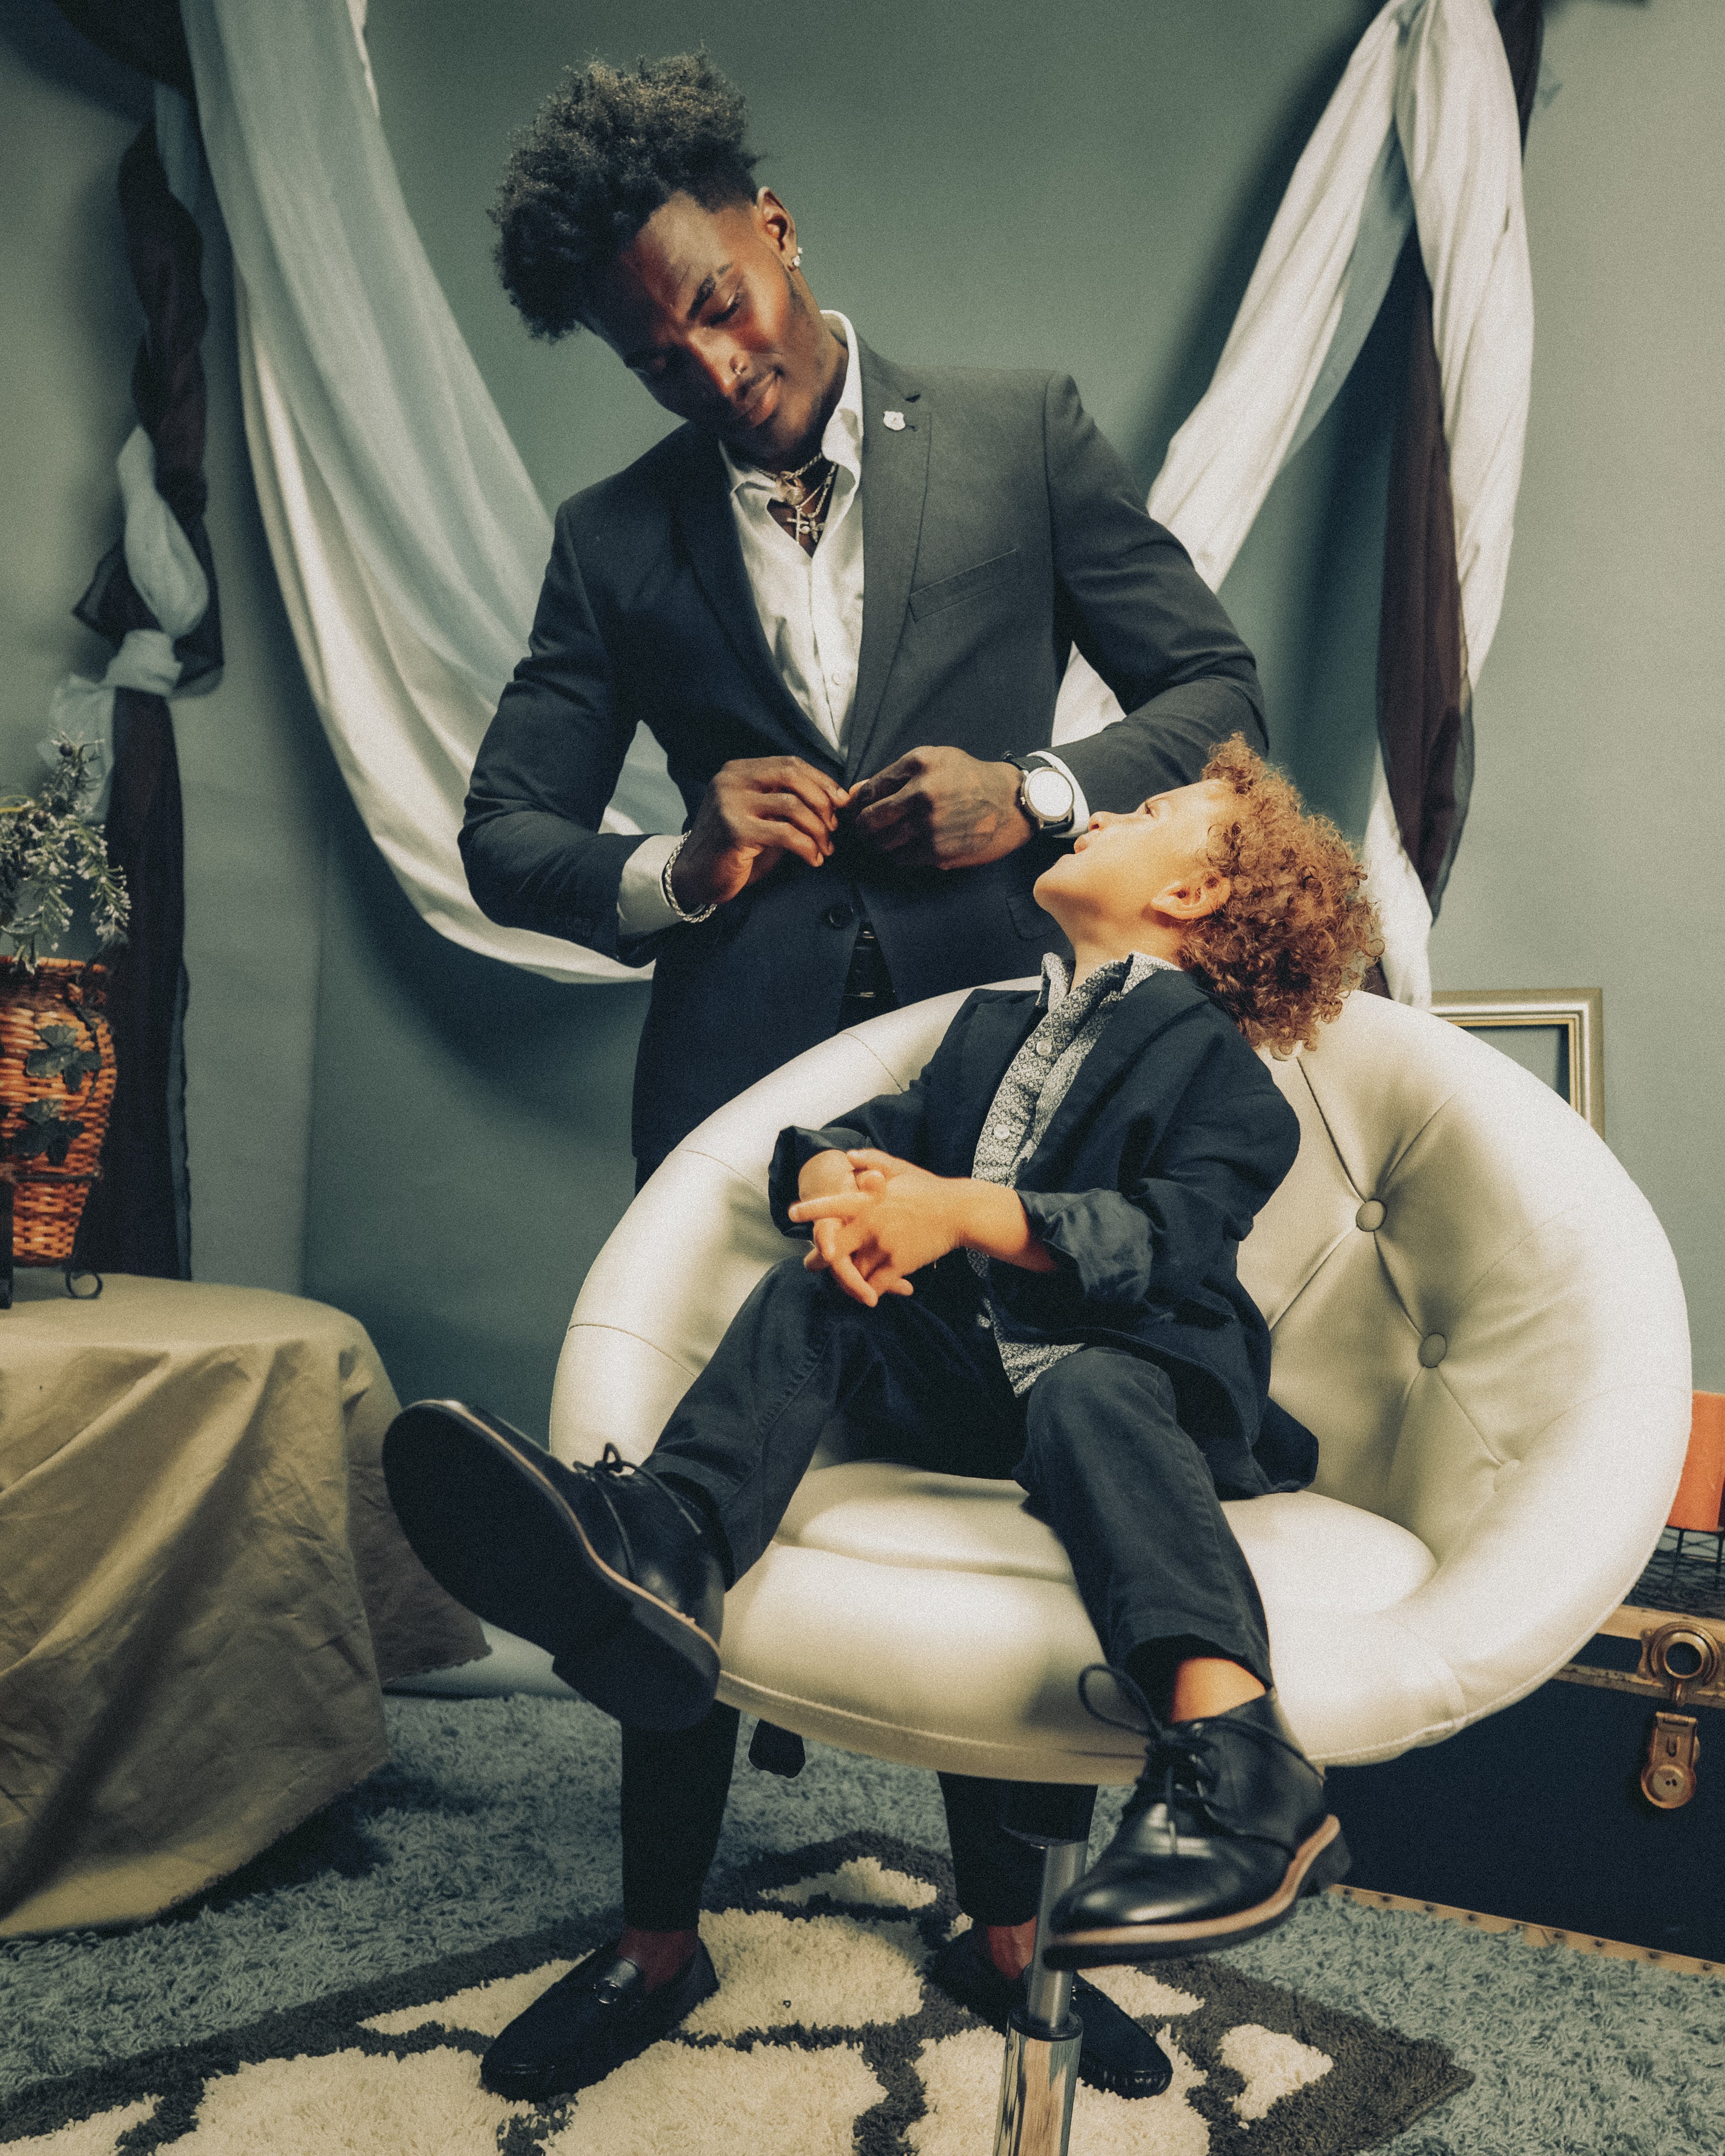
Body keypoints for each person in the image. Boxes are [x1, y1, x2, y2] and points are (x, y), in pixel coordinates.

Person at [443, 43, 1276, 2106]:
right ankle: (655, 1936)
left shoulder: (1016, 431)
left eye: (718, 306)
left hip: (985, 1076)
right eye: (658, 361)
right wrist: (679, 859)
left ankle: (1007, 1927)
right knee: (670, 1493)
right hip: (726, 1095)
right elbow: (504, 836)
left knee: (1005, 1453)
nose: (713, 370)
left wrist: (1040, 788)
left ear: (774, 228)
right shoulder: (610, 540)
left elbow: (1212, 683)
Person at [387, 737, 1381, 2086]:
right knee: (819, 1294)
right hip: (963, 1378)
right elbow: (853, 1129)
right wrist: (840, 1182)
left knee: (1089, 1386)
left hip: (1120, 1388)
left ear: (1194, 895)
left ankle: (1237, 1768)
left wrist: (961, 1209)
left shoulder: (1222, 1075)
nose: (1102, 811)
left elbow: (1161, 1239)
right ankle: (662, 1542)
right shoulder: (988, 1026)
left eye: (1151, 809)